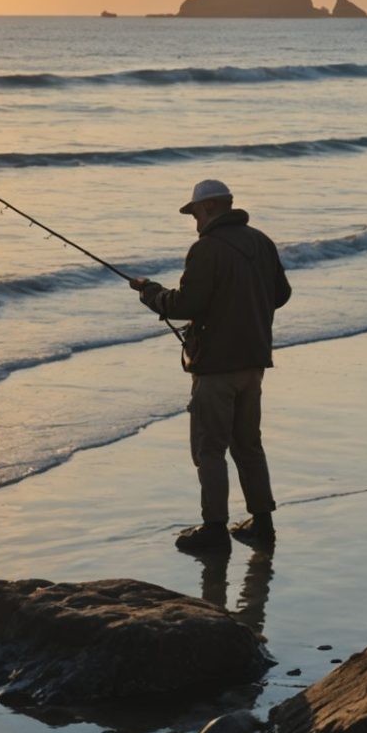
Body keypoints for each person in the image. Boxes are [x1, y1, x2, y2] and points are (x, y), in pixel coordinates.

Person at [130, 178, 292, 553]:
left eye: (195, 214)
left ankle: (215, 530)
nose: (194, 222)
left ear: (208, 209)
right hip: (254, 361)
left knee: (209, 448)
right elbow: (280, 294)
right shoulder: (261, 241)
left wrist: (151, 292)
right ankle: (262, 524)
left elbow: (185, 304)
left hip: (217, 366)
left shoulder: (207, 249)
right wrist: (246, 307)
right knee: (248, 445)